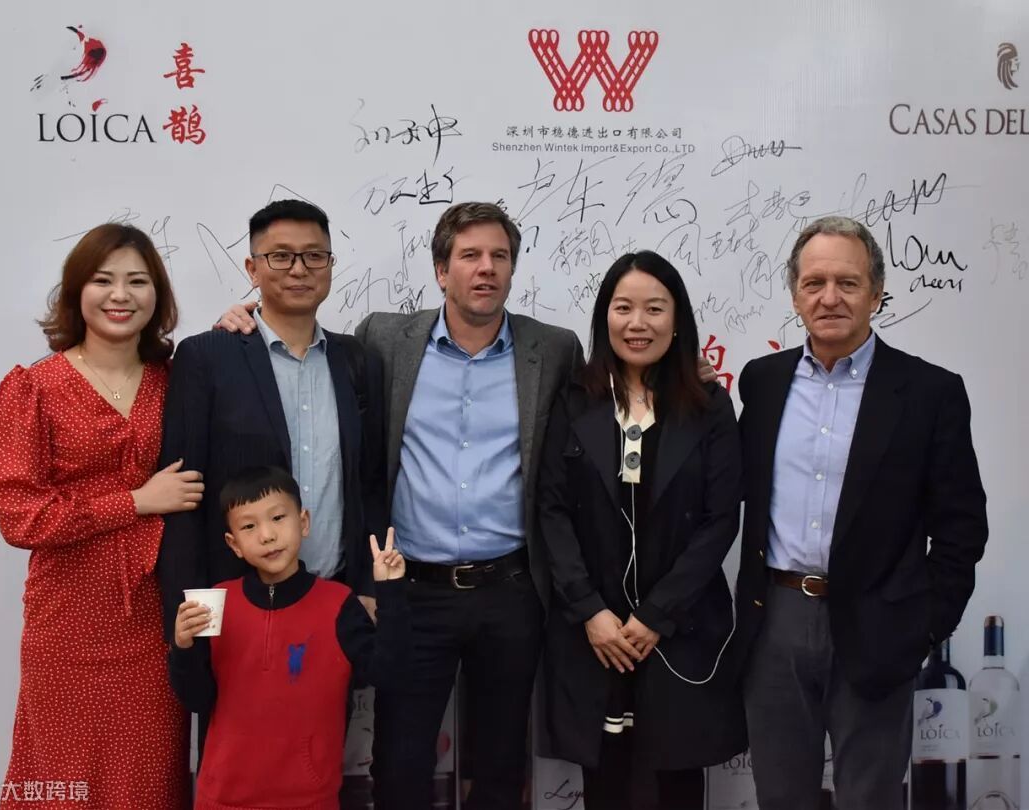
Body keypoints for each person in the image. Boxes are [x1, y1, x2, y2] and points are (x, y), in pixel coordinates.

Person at [733, 216, 989, 809]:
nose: (830, 298)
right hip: (775, 622)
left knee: (870, 798)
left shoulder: (930, 393)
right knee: (780, 798)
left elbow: (961, 528)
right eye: (814, 282)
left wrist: (925, 628)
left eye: (847, 283)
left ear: (876, 294)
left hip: (879, 626)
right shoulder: (762, 382)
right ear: (795, 295)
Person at [355, 202, 584, 810]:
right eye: (471, 256)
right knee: (399, 765)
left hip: (510, 591)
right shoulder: (384, 339)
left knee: (501, 766)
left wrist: (682, 373)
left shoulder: (553, 349)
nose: (487, 268)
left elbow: (598, 421)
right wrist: (242, 324)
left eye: (499, 256)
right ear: (441, 270)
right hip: (412, 592)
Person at [0, 223, 203, 809]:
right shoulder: (33, 387)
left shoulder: (177, 380)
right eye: (103, 280)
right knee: (65, 779)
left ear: (158, 294)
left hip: (157, 621)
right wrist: (136, 501)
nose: (121, 295)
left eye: (138, 281)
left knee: (147, 779)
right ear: (76, 290)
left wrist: (242, 320)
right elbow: (20, 517)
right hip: (66, 622)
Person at [537, 251, 745, 810]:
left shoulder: (709, 405)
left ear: (677, 321)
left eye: (654, 308)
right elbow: (551, 510)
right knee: (605, 782)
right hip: (594, 633)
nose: (638, 323)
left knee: (678, 784)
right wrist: (590, 611)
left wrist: (656, 615)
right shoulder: (575, 400)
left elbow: (720, 519)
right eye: (623, 307)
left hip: (679, 628)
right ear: (604, 316)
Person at [158, 199, 386, 644]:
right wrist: (194, 619)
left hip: (336, 601)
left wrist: (369, 588)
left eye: (314, 255)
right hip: (236, 608)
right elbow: (183, 496)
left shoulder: (357, 361)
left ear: (330, 265)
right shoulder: (207, 357)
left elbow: (370, 484)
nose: (299, 269)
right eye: (280, 256)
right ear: (252, 268)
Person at [168, 466, 409, 810]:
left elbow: (388, 673)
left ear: (304, 522)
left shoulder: (338, 603)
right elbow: (196, 697)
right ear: (234, 544)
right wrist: (183, 647)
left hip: (310, 799)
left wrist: (390, 591)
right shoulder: (217, 602)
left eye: (278, 518)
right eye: (249, 526)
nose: (267, 535)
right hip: (222, 797)